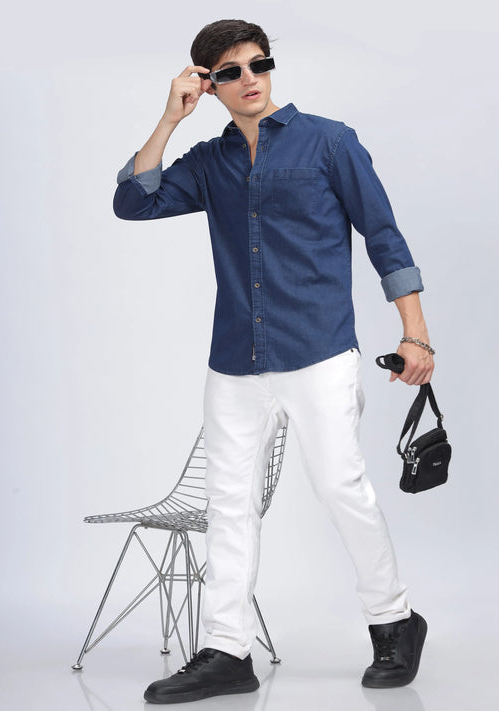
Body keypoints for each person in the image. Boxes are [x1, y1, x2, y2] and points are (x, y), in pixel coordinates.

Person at [114, 19, 434, 705]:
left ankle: (394, 621)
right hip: (235, 358)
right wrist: (168, 119)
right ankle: (228, 651)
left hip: (317, 349)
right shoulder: (209, 160)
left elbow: (383, 235)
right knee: (228, 504)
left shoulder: (329, 142)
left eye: (258, 64)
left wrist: (416, 335)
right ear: (209, 84)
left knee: (340, 486)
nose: (249, 79)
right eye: (229, 72)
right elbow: (133, 202)